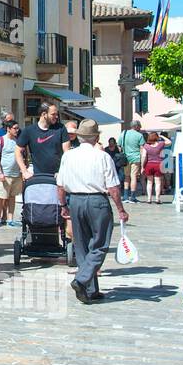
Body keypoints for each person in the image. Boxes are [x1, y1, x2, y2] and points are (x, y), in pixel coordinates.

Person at [57, 119, 128, 304]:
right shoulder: (102, 156)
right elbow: (113, 187)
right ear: (96, 137)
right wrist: (121, 209)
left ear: (79, 137)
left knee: (82, 245)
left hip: (76, 201)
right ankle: (81, 280)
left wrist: (63, 205)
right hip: (97, 200)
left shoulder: (68, 156)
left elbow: (60, 185)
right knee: (100, 244)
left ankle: (90, 290)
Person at [15, 102, 66, 180]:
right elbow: (17, 150)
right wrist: (24, 171)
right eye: (53, 114)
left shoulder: (61, 128)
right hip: (37, 177)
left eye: (57, 114)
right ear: (44, 114)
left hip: (57, 177)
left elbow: (67, 152)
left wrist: (62, 171)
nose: (56, 116)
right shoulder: (29, 130)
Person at [0, 120, 24, 227]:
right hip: (4, 174)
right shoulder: (0, 140)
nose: (17, 130)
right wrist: (0, 172)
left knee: (12, 197)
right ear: (8, 129)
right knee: (1, 197)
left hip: (16, 174)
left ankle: (10, 219)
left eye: (17, 128)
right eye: (15, 128)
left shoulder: (18, 141)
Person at [119, 121, 146, 203]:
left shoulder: (124, 133)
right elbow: (142, 148)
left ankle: (125, 196)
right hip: (136, 157)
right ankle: (133, 196)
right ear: (136, 126)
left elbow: (119, 145)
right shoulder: (139, 135)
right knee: (133, 176)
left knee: (127, 176)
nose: (140, 128)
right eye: (139, 127)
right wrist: (142, 162)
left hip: (126, 158)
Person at [141, 132, 166, 204]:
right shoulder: (160, 144)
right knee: (158, 182)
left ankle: (149, 199)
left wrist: (142, 167)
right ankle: (157, 199)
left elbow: (144, 156)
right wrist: (162, 136)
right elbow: (169, 142)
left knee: (149, 182)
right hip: (158, 164)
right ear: (156, 137)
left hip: (149, 165)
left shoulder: (146, 146)